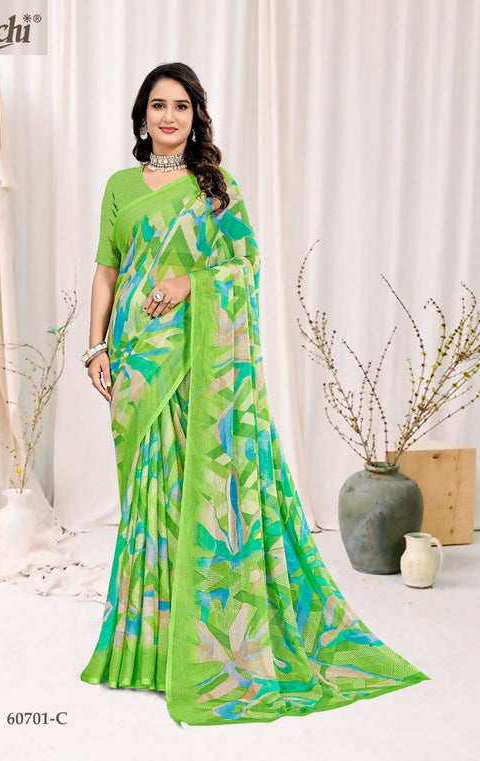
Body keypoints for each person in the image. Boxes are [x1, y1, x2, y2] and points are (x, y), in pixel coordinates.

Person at [79, 62, 428, 726]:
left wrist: (190, 282)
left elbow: (244, 265)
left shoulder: (216, 187)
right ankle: (148, 648)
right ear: (142, 115)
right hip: (135, 360)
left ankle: (201, 648)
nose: (169, 116)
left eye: (181, 106)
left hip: (195, 361)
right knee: (148, 496)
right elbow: (106, 270)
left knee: (192, 491)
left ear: (196, 116)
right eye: (158, 105)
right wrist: (95, 347)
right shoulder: (120, 187)